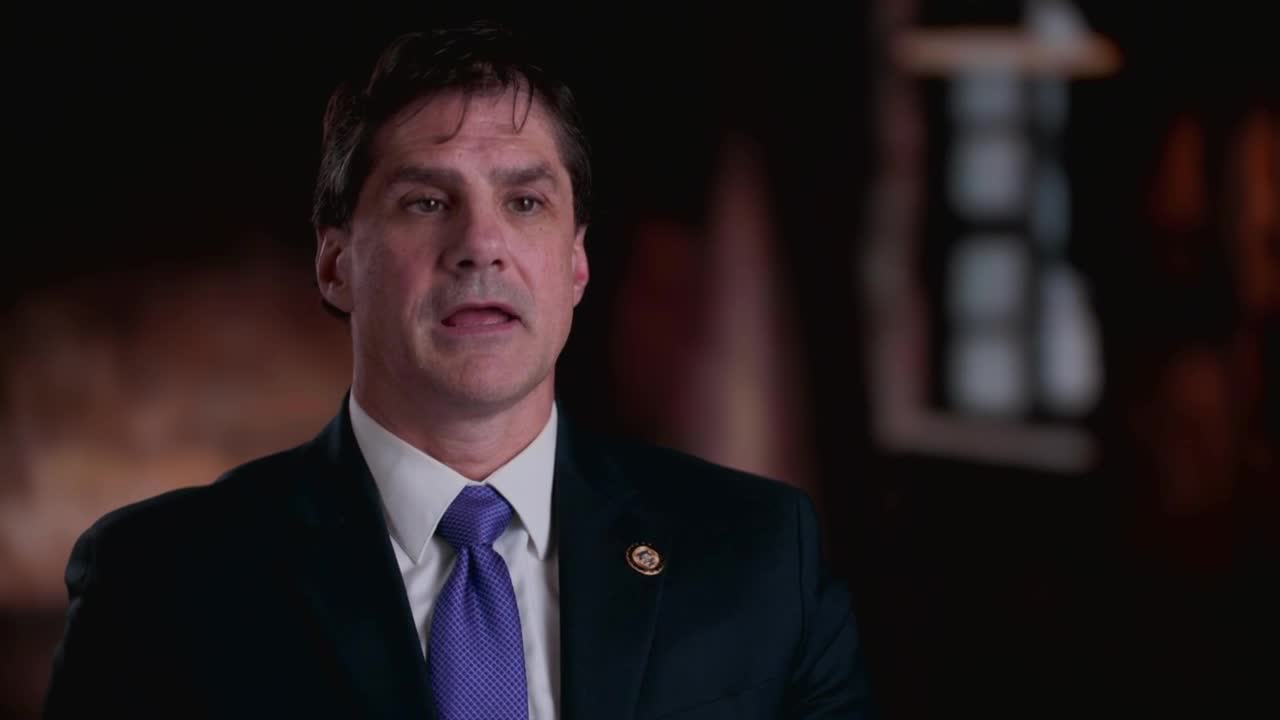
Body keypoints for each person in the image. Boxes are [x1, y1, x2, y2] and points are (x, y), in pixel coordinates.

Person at [43, 22, 876, 720]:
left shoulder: (762, 555)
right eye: (426, 202)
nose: (481, 245)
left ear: (576, 265)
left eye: (525, 202)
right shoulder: (160, 581)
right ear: (335, 266)